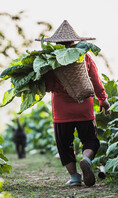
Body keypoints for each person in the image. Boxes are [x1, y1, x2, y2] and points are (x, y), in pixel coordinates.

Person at [37, 20, 111, 187]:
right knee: (90, 140)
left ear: (56, 43)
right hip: (84, 107)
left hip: (62, 112)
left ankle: (75, 178)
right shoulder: (83, 56)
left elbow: (47, 87)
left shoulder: (50, 60)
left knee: (65, 146)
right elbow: (95, 80)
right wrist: (103, 99)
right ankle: (86, 159)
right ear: (74, 41)